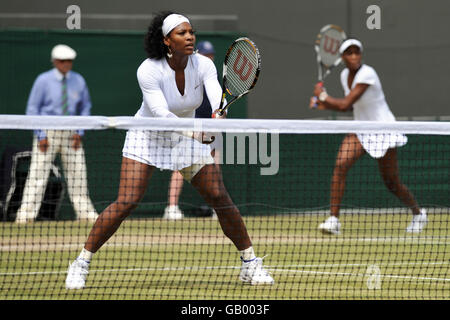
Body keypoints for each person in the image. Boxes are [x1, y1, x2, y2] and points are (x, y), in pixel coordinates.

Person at [65, 12, 274, 289]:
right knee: (126, 201)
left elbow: (215, 97)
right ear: (166, 40)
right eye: (181, 33)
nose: (189, 37)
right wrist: (197, 132)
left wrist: (217, 116)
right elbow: (161, 114)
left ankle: (250, 263)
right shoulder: (148, 70)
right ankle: (81, 263)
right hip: (147, 136)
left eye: (191, 32)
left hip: (185, 139)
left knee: (219, 196)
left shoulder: (204, 66)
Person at [310, 39, 427, 235]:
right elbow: (353, 106)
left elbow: (345, 104)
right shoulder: (345, 74)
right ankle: (333, 220)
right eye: (349, 53)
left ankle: (418, 213)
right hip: (361, 127)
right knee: (340, 165)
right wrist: (323, 104)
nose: (354, 56)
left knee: (391, 182)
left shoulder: (367, 74)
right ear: (342, 57)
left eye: (357, 52)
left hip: (383, 128)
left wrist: (322, 97)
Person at [15, 44, 99, 224]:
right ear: (54, 62)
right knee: (37, 173)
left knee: (78, 174)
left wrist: (79, 131)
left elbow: (85, 107)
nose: (66, 64)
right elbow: (32, 109)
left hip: (72, 132)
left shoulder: (79, 80)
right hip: (47, 131)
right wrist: (40, 134)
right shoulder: (42, 81)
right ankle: (26, 215)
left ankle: (85, 213)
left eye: (69, 61)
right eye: (62, 61)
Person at [163, 40, 219, 220]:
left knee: (214, 167)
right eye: (205, 55)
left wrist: (220, 114)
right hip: (189, 128)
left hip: (211, 128)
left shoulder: (212, 76)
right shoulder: (186, 76)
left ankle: (217, 207)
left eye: (211, 55)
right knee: (181, 166)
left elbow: (219, 103)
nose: (209, 58)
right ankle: (171, 208)